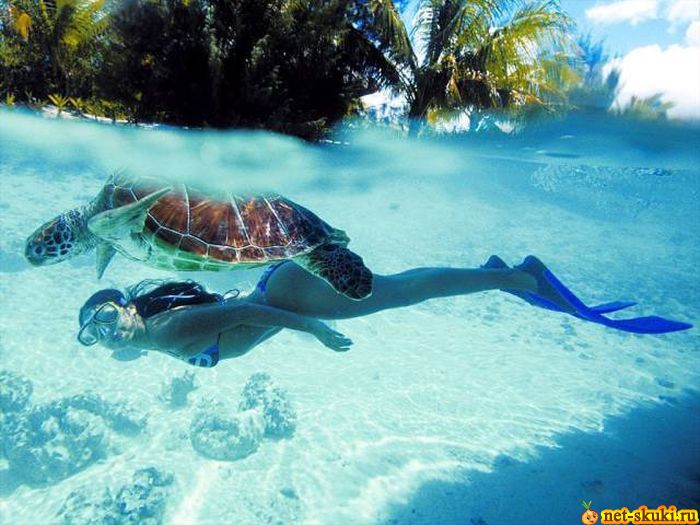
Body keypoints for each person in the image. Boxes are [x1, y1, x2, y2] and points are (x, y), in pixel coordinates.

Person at [77, 256, 692, 367]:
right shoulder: (146, 337)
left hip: (288, 299)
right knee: (402, 288)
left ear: (128, 308)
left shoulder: (168, 331)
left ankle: (518, 276)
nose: (105, 335)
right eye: (93, 334)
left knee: (405, 291)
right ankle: (499, 273)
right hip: (278, 287)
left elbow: (258, 320)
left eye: (107, 317)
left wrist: (315, 331)